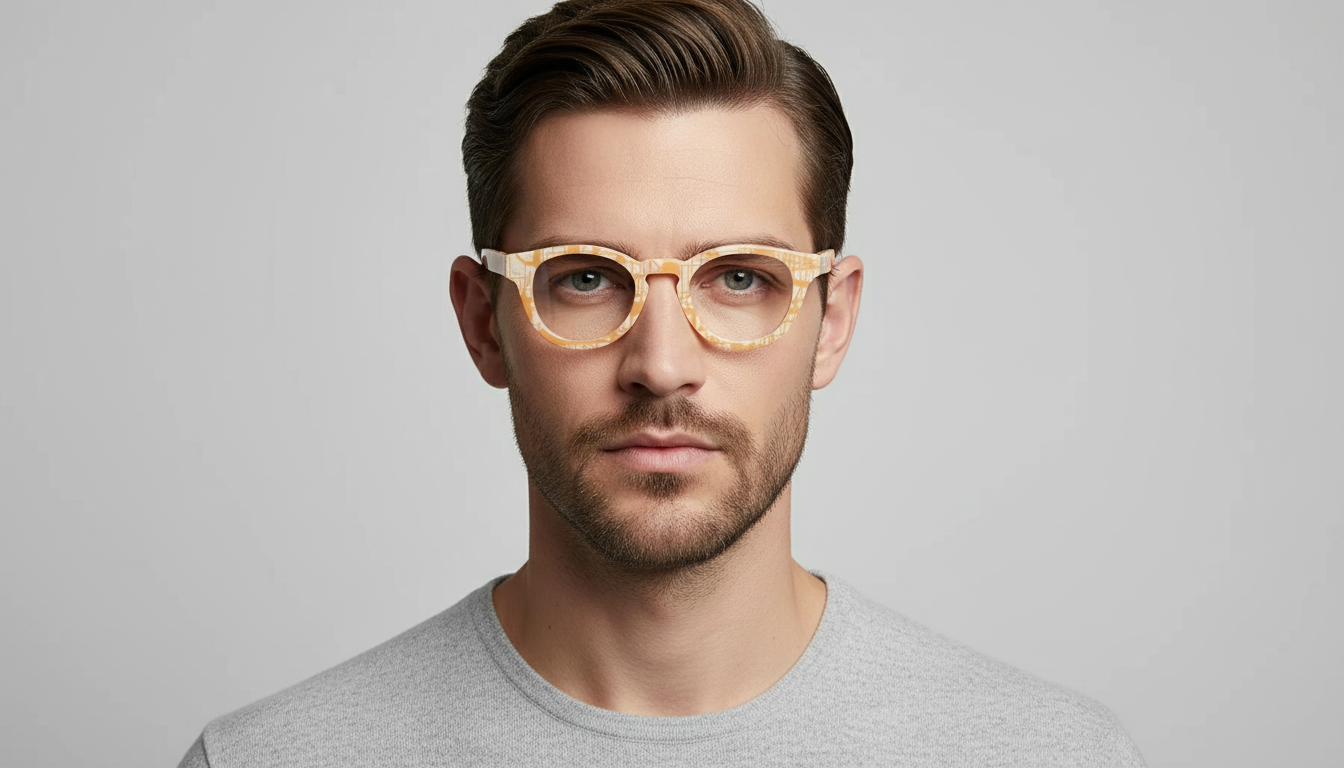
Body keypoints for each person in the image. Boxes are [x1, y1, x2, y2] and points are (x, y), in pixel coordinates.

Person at [178, 0, 1145, 765]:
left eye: (739, 279)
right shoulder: (269, 760)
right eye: (587, 278)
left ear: (831, 321)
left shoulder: (1054, 758)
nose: (662, 365)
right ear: (484, 322)